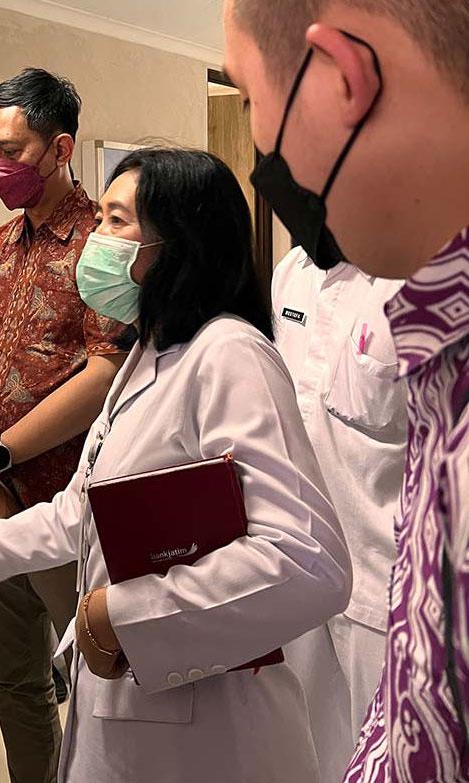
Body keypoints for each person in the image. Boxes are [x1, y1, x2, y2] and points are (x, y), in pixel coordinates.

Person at [0, 147, 352, 783]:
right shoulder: (151, 352)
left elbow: (307, 563)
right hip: (135, 713)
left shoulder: (230, 355)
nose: (93, 242)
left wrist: (121, 617)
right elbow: (78, 511)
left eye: (115, 222)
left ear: (179, 245)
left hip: (212, 730)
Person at [222, 1, 469, 780]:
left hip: (372, 588)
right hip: (312, 571)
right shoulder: (436, 320)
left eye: (248, 95)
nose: (262, 144)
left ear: (342, 77)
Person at [0, 68, 128, 781]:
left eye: (12, 150)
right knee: (15, 680)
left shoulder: (103, 246)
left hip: (67, 512)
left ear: (60, 148)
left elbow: (104, 370)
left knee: (96, 684)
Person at [272, 247, 406, 781]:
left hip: (388, 597)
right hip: (301, 569)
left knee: (391, 763)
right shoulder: (292, 275)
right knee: (303, 752)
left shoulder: (414, 281)